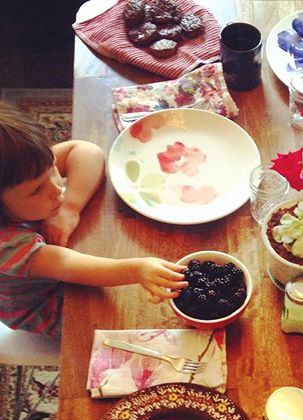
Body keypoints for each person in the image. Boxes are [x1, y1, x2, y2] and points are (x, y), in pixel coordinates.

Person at [0, 101, 187, 336]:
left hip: (53, 259)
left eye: (54, 170)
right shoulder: (7, 245)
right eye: (37, 190)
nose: (57, 187)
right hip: (44, 304)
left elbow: (87, 151)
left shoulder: (24, 167)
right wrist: (137, 269)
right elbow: (67, 265)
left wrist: (70, 208)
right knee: (121, 322)